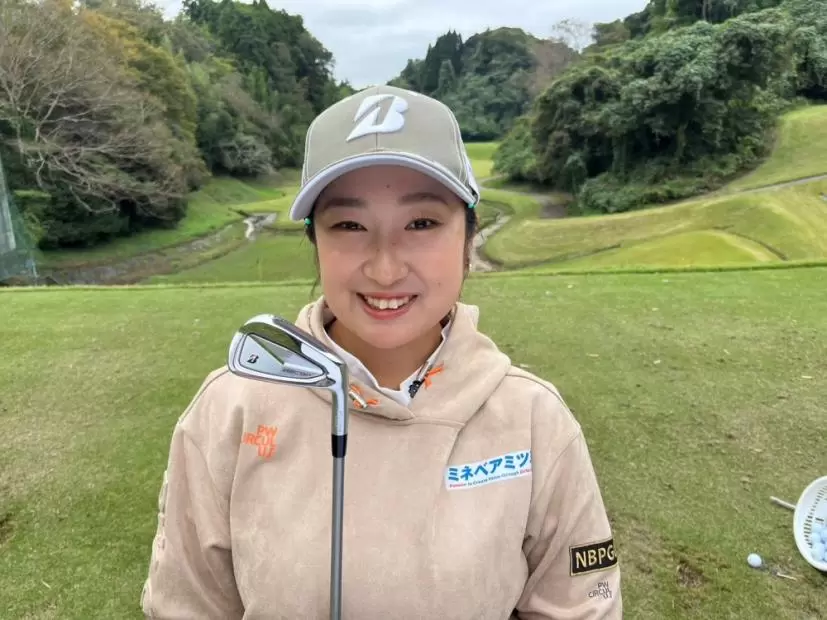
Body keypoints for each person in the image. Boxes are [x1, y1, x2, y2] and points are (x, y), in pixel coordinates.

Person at [140, 85, 622, 619]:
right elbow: (187, 607)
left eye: (422, 223)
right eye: (349, 225)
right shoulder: (229, 409)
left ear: (468, 236)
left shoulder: (535, 420)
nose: (386, 269)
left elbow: (580, 607)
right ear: (315, 241)